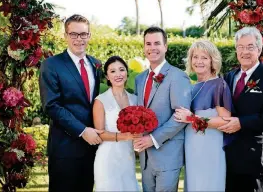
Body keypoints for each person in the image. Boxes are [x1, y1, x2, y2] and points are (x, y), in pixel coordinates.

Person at [39, 14, 103, 192]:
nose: (79, 39)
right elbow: (51, 105)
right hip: (64, 149)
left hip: (92, 148)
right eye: (73, 34)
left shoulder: (96, 64)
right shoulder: (51, 65)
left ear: (89, 35)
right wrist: (83, 131)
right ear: (65, 36)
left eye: (83, 34)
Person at [221, 27, 263, 192]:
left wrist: (242, 123)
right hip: (228, 161)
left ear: (258, 49)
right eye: (241, 47)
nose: (245, 51)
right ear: (236, 49)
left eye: (250, 47)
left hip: (256, 162)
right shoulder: (229, 77)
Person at [134, 26, 192, 192]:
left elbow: (180, 117)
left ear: (165, 47)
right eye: (148, 44)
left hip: (167, 154)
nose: (152, 48)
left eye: (157, 43)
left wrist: (152, 139)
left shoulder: (177, 76)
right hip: (145, 157)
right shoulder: (140, 79)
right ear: (144, 47)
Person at [174, 40, 232, 191]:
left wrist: (192, 118)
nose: (199, 61)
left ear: (213, 61)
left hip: (210, 149)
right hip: (192, 149)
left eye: (204, 58)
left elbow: (225, 121)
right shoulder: (192, 87)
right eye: (195, 57)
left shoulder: (219, 84)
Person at [93, 56, 140, 191]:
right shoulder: (100, 100)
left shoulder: (135, 99)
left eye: (121, 70)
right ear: (107, 76)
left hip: (128, 158)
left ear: (127, 73)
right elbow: (100, 134)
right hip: (108, 158)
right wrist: (126, 136)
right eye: (112, 71)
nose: (118, 74)